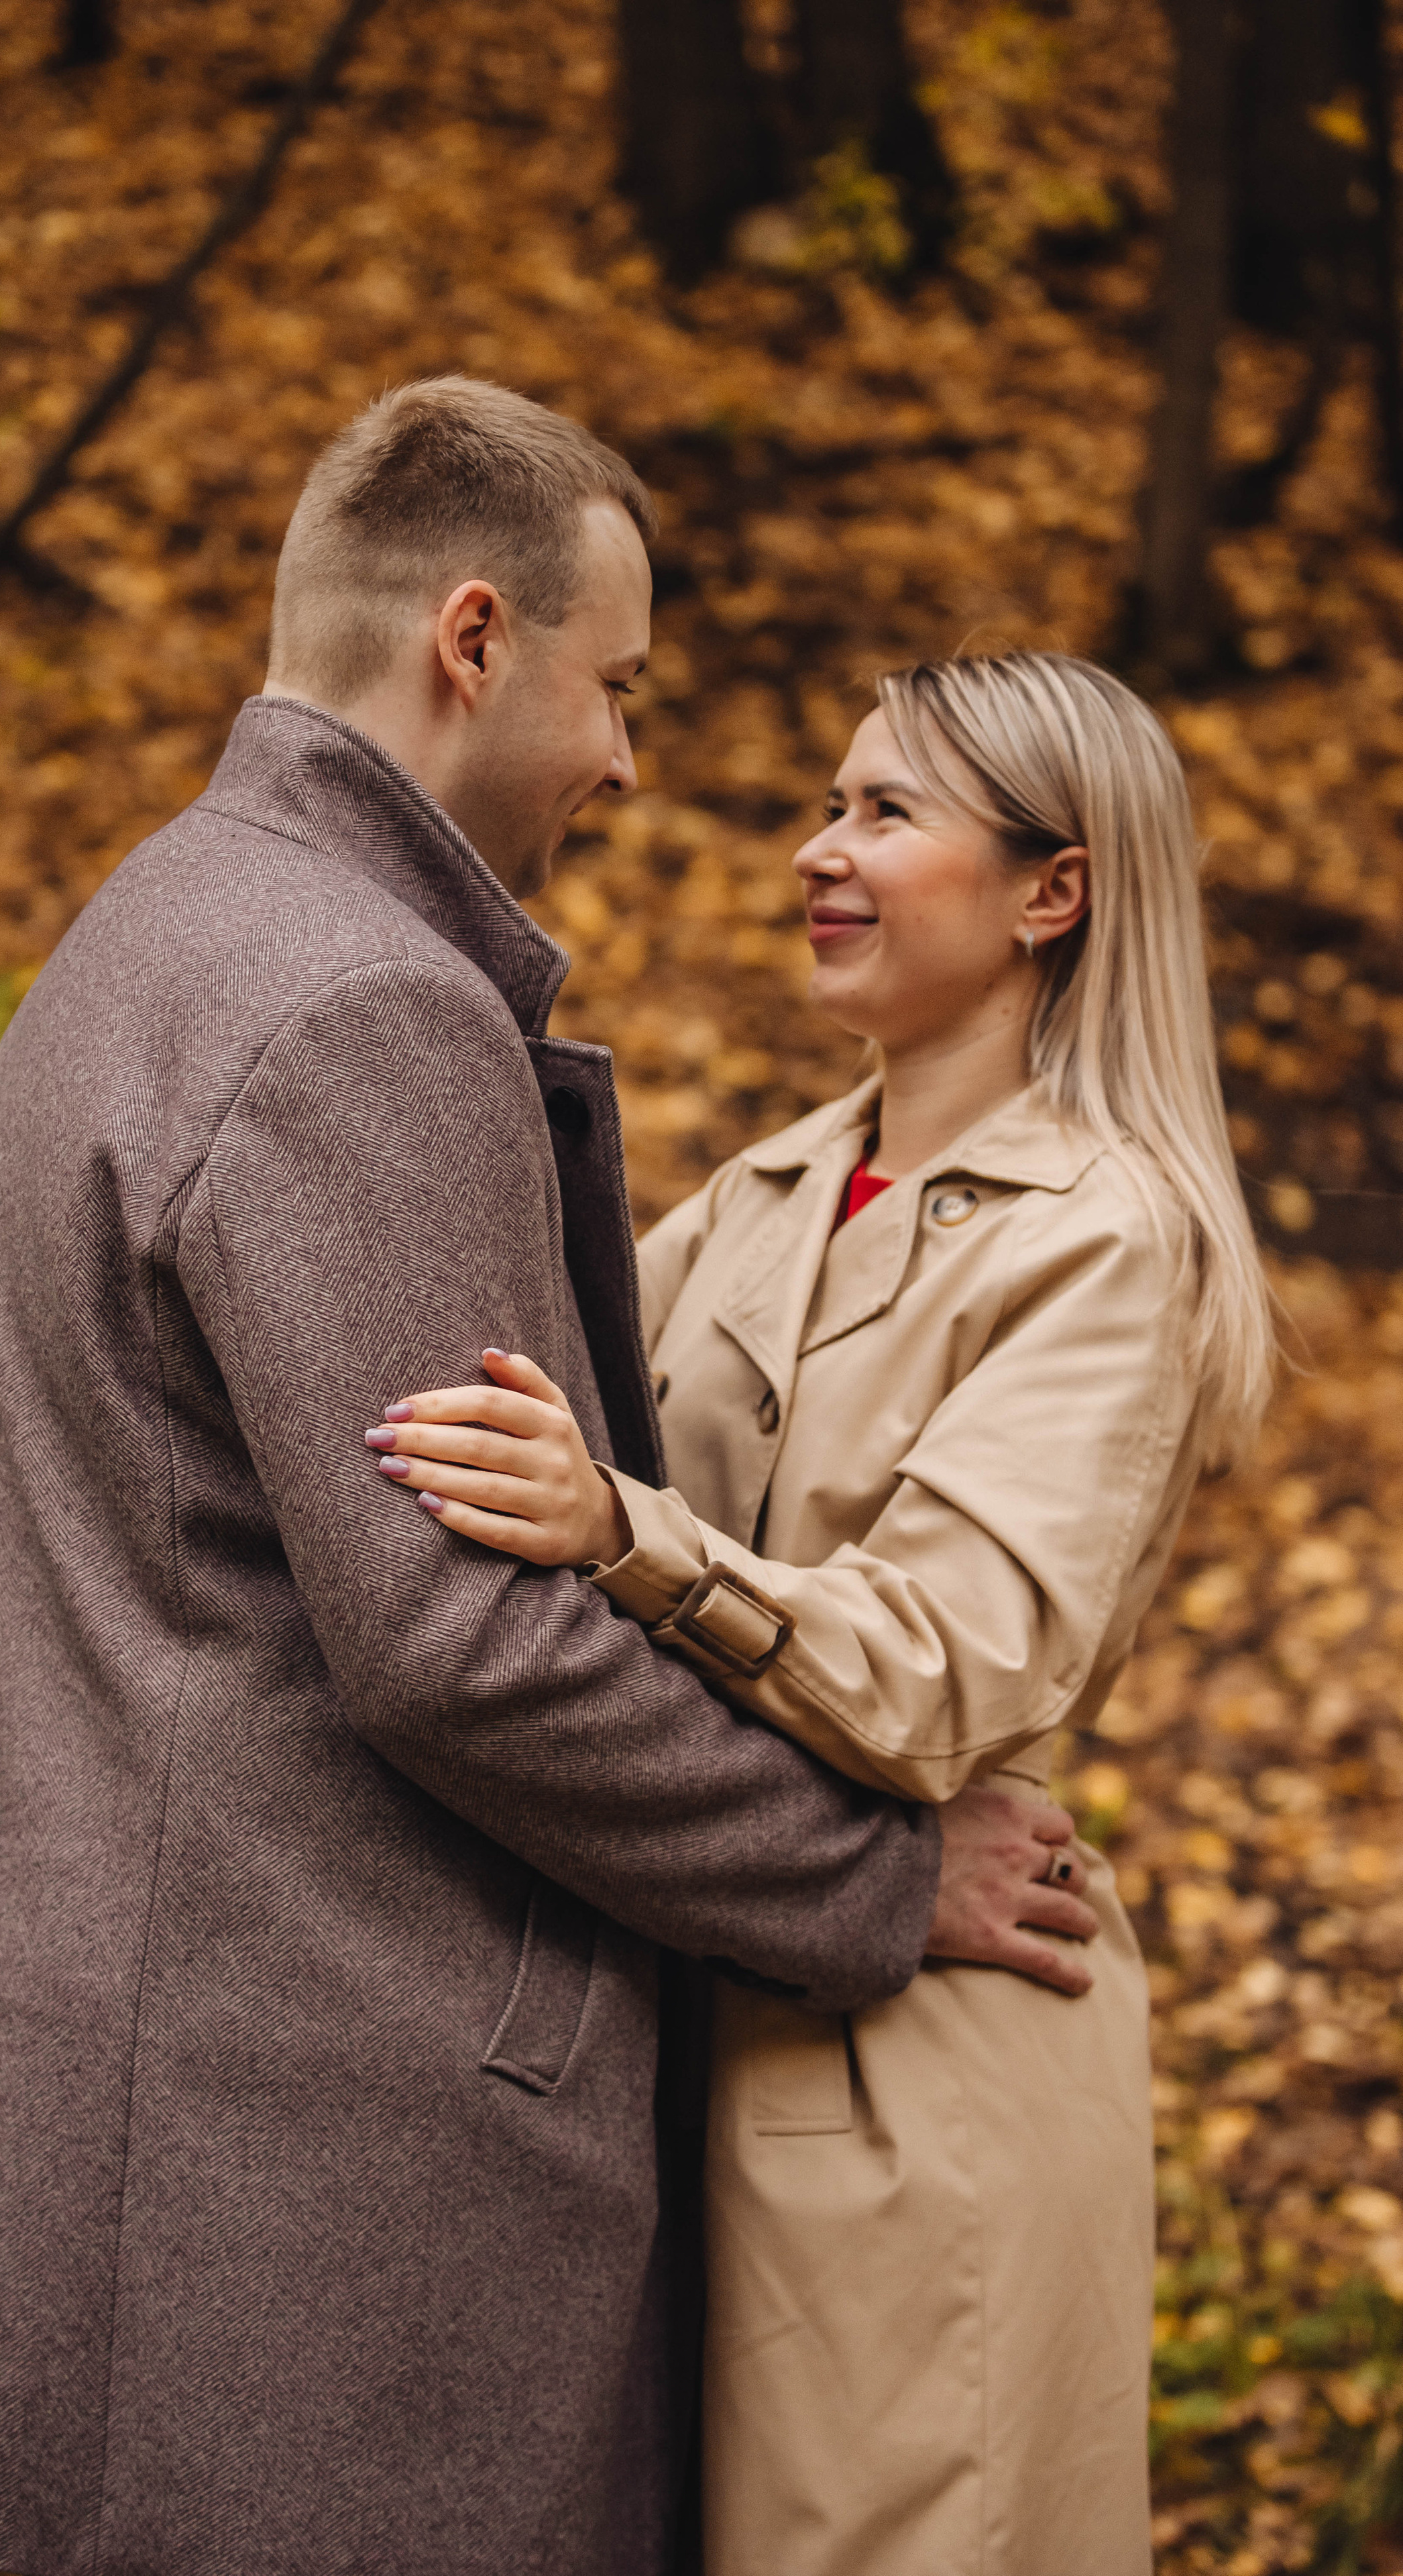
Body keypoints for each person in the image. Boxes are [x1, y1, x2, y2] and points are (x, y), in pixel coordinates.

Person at [0, 386, 1095, 2576]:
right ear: (476, 638)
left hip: (131, 2121)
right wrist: (873, 1883)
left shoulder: (154, 923)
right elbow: (468, 1651)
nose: (628, 760)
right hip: (306, 2181)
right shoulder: (358, 1010)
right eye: (619, 690)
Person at [374, 647, 1275, 2576]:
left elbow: (940, 1670)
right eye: (830, 803)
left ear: (1055, 891)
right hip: (693, 2017)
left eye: (885, 814)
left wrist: (624, 1536)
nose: (818, 852)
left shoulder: (1110, 1235)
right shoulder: (775, 1193)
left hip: (925, 2071)